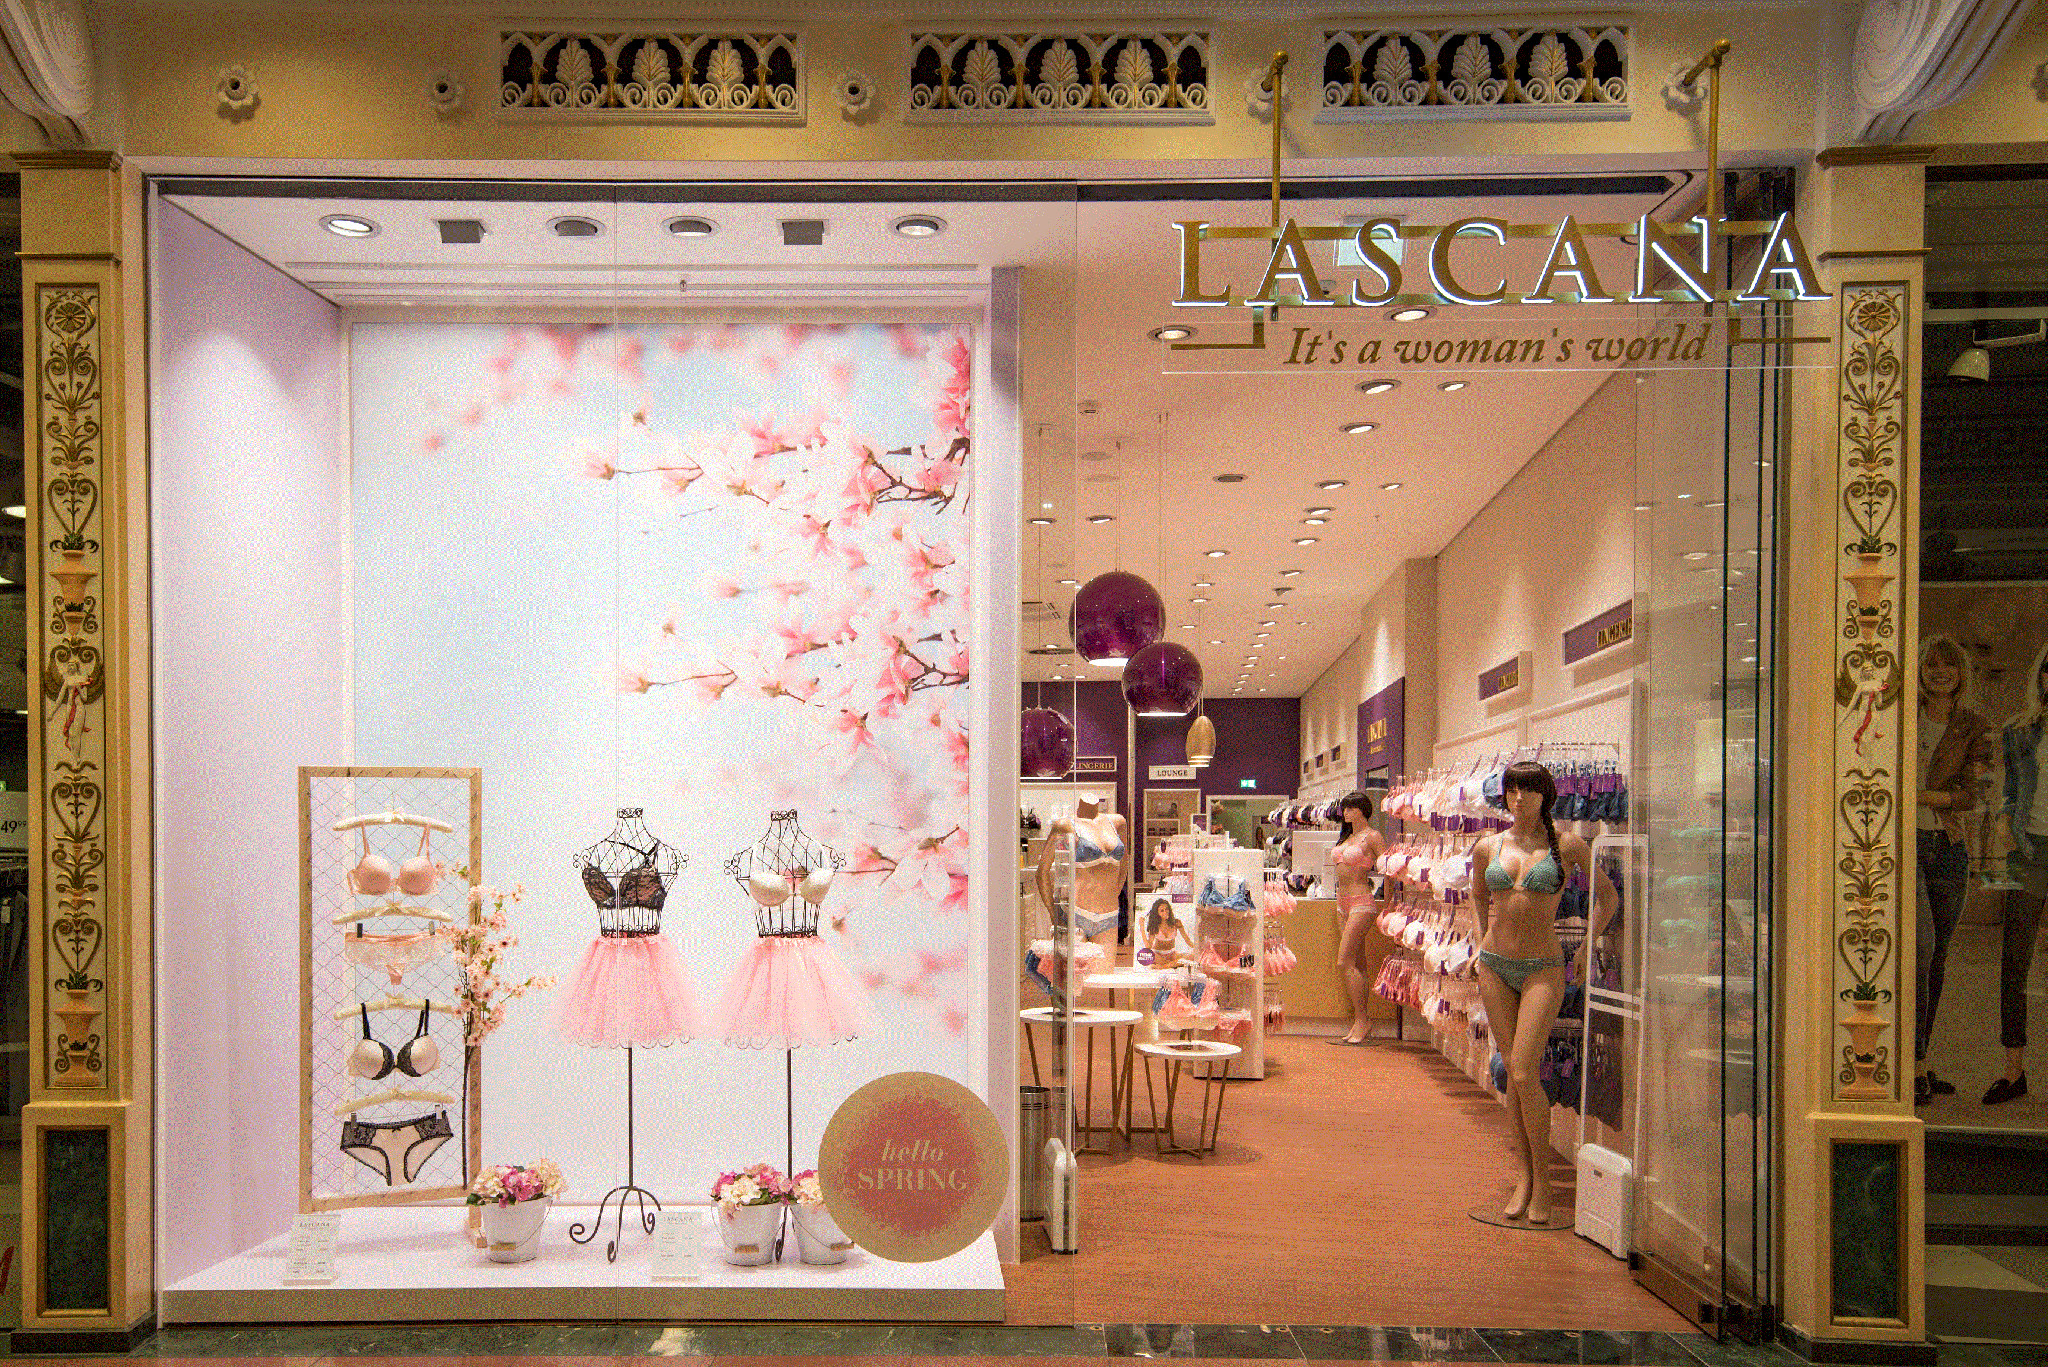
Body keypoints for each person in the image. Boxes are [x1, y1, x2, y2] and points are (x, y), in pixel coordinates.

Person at [1470, 761, 1616, 1225]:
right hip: (1494, 966)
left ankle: (1544, 1182)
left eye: (1529, 791)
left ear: (1545, 796)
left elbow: (1608, 898)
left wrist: (1586, 947)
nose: (1519, 799)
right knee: (1514, 1073)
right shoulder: (1488, 846)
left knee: (1524, 1069)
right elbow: (1478, 895)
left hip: (1544, 968)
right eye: (1512, 790)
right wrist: (1478, 940)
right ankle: (1524, 1176)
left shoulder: (1568, 844)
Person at [1913, 635, 1993, 1106]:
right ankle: (1911, 1062)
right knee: (1920, 949)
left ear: (1961, 673)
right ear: (1920, 670)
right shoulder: (1902, 715)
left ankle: (1919, 1061)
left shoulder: (1973, 726)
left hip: (1947, 846)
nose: (1940, 672)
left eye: (1948, 665)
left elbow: (1976, 793)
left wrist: (1923, 796)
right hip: (1903, 845)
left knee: (1937, 957)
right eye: (1931, 664)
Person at [1990, 643, 2048, 1104]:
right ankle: (2014, 1071)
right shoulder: (2020, 731)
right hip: (2029, 851)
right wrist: (2005, 823)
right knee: (2014, 960)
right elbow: (2010, 790)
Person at [1329, 790, 1387, 1046]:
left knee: (1344, 962)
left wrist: (1391, 903)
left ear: (1363, 810)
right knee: (1357, 963)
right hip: (1341, 903)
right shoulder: (1348, 837)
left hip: (1362, 902)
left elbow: (1388, 869)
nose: (1346, 812)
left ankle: (1362, 1020)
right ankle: (1361, 1020)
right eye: (1344, 808)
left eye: (1351, 808)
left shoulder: (1372, 837)